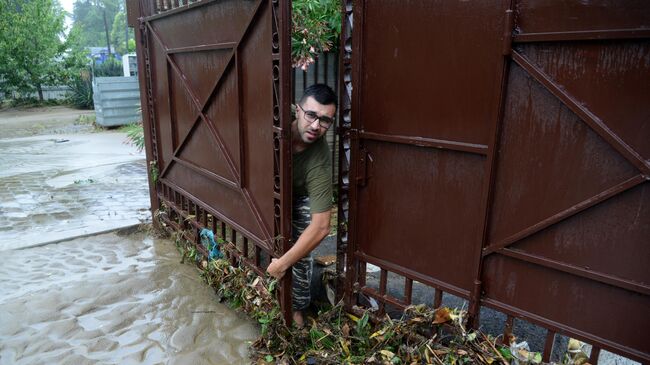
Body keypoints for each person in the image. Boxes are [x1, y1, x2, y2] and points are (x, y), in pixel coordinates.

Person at [266, 84, 337, 327]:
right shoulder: (275, 118)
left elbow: (321, 227)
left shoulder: (320, 160)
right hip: (266, 186)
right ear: (297, 110)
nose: (317, 126)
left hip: (299, 195)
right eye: (312, 115)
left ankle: (298, 309)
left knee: (301, 251)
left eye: (326, 120)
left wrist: (283, 264)